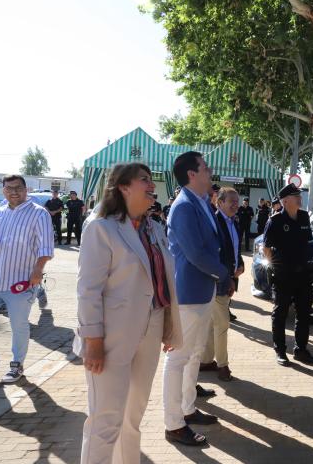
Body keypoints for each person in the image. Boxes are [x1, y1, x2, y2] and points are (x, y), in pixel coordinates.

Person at [75, 163, 182, 464]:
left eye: (152, 180)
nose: (152, 186)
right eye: (144, 180)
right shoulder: (101, 228)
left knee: (133, 417)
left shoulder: (154, 227)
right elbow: (88, 290)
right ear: (122, 187)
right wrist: (92, 340)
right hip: (111, 336)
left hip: (151, 327)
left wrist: (169, 327)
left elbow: (162, 282)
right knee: (105, 419)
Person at [162, 151, 230, 446]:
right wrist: (223, 273)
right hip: (188, 294)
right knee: (178, 358)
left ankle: (187, 409)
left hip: (202, 291)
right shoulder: (184, 207)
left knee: (193, 354)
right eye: (205, 167)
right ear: (192, 174)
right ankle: (173, 424)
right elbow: (196, 253)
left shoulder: (200, 202)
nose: (210, 171)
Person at [0, 175, 53, 383]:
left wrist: (38, 270)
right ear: (3, 191)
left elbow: (46, 247)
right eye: (9, 188)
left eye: (18, 188)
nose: (14, 192)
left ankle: (17, 364)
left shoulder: (39, 214)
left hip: (20, 281)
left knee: (18, 323)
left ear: (26, 189)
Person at [263, 183, 313, 367]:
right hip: (283, 276)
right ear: (285, 201)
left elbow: (307, 242)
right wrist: (275, 267)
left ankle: (300, 350)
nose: (300, 198)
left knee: (303, 313)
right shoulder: (275, 220)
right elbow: (266, 248)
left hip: (302, 274)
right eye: (296, 196)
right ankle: (280, 351)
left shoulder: (303, 217)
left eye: (299, 196)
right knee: (280, 313)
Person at [200, 187, 244, 382]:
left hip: (227, 279)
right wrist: (226, 278)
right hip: (217, 281)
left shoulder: (233, 222)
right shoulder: (215, 223)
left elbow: (233, 249)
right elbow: (215, 254)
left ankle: (206, 360)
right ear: (220, 203)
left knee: (212, 323)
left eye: (237, 201)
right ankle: (222, 366)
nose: (236, 204)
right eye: (231, 201)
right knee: (223, 324)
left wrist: (240, 264)